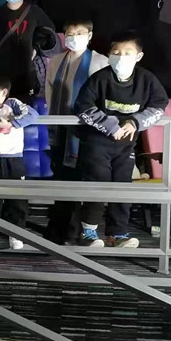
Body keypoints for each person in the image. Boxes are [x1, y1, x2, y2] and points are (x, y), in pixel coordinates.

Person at [74, 30, 168, 248]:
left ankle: (117, 234)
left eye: (127, 52)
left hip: (126, 146)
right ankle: (88, 232)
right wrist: (110, 126)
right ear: (109, 54)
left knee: (123, 187)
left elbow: (158, 106)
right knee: (98, 185)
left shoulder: (147, 80)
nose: (121, 57)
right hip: (97, 144)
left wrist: (135, 122)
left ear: (139, 56)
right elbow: (83, 106)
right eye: (116, 52)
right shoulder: (100, 78)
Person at [44, 19, 109, 245]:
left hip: (88, 132)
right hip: (61, 128)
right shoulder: (56, 61)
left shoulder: (100, 62)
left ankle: (83, 229)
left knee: (85, 179)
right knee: (63, 179)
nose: (74, 37)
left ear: (89, 35)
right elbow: (49, 93)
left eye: (80, 33)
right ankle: (61, 228)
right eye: (70, 33)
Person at [0, 72, 39, 249]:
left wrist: (10, 124)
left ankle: (15, 232)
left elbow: (32, 115)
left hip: (13, 159)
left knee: (16, 198)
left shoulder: (12, 104)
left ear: (3, 93)